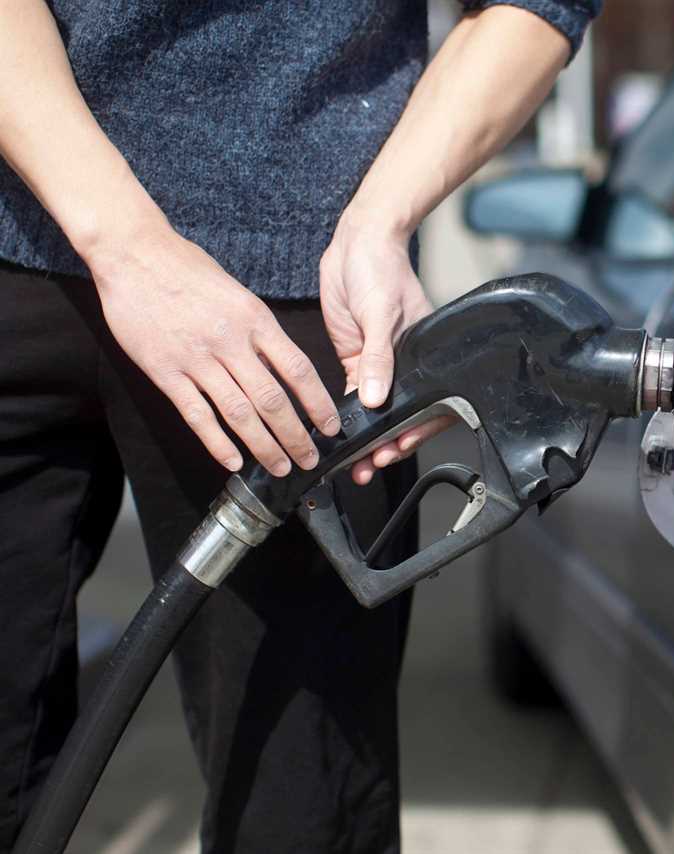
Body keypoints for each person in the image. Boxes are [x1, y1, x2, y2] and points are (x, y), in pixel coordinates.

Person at [0, 1, 600, 850]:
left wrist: (380, 219)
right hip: (21, 228)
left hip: (300, 303)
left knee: (300, 798)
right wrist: (128, 244)